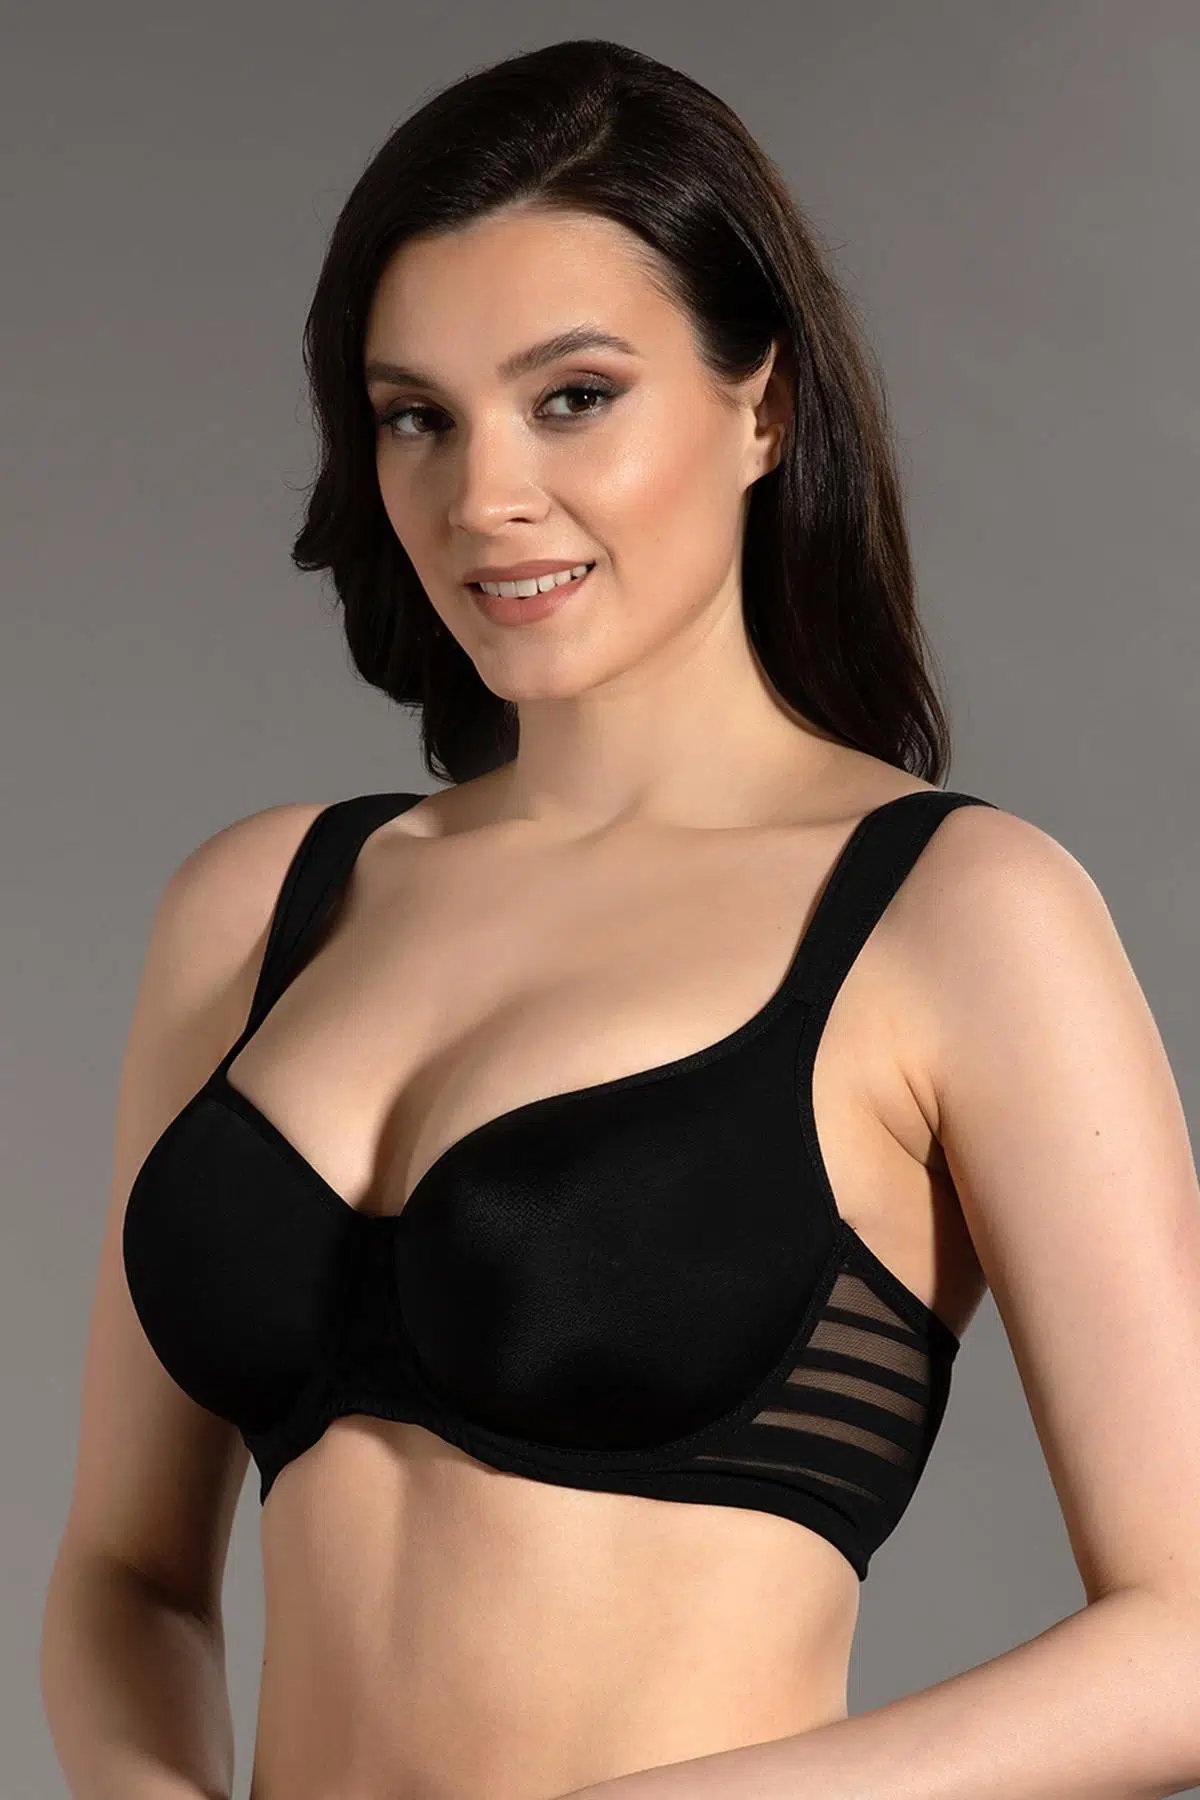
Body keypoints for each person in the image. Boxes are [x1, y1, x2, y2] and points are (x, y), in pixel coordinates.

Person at [41, 36, 1200, 1800]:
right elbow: (126, 1573)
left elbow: (1189, 1637)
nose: (482, 495)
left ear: (765, 408)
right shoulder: (257, 906)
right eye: (417, 415)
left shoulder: (957, 917)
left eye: (572, 396)